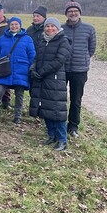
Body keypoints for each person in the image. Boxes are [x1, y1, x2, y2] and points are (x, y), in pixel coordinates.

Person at [29, 18, 72, 151]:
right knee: (45, 108)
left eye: (53, 26)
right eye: (47, 26)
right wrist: (33, 69)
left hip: (54, 80)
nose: (50, 29)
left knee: (56, 110)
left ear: (58, 28)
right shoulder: (42, 41)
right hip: (41, 80)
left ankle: (62, 140)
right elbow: (36, 58)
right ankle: (51, 135)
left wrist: (41, 72)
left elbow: (59, 60)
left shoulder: (63, 41)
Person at [0, 17, 35, 124]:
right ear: (9, 25)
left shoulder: (27, 39)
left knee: (19, 95)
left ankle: (17, 117)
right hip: (4, 70)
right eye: (12, 24)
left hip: (21, 71)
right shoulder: (2, 39)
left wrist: (32, 69)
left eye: (16, 24)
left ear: (20, 25)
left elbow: (32, 56)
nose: (14, 26)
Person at [63, 0, 96, 137]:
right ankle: (59, 123)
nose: (73, 13)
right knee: (60, 98)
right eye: (70, 11)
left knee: (76, 100)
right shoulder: (60, 28)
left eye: (75, 11)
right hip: (62, 69)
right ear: (66, 14)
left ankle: (73, 126)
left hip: (80, 70)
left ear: (79, 12)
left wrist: (83, 59)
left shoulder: (89, 29)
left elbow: (91, 49)